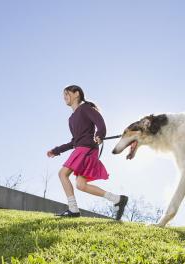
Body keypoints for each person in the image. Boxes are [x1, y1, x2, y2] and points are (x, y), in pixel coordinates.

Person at [47, 85, 128, 220]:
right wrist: (56, 150)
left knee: (62, 174)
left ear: (76, 94)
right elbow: (74, 141)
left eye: (67, 94)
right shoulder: (71, 119)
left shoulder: (85, 108)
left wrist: (100, 134)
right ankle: (118, 199)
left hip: (87, 149)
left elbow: (100, 122)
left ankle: (73, 210)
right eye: (63, 96)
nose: (65, 98)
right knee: (81, 185)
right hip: (82, 148)